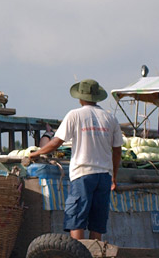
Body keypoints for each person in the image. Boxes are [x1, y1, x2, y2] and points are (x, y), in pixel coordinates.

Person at [29, 79, 123, 241]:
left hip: (83, 174)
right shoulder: (110, 119)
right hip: (104, 176)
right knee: (97, 222)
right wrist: (114, 177)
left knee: (76, 218)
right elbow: (117, 151)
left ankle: (77, 257)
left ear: (80, 98)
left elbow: (56, 142)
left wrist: (35, 154)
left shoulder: (75, 115)